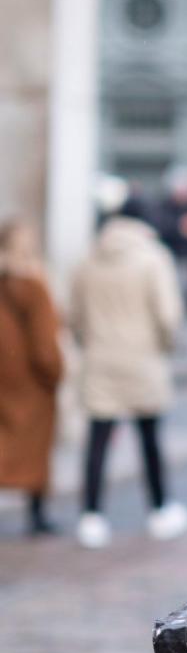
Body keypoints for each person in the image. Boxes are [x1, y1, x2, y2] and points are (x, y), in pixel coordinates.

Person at [71, 197, 187, 547]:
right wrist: (166, 347)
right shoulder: (153, 258)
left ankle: (91, 516)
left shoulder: (88, 259)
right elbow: (168, 315)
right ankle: (159, 509)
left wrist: (89, 343)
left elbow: (74, 316)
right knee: (150, 437)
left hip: (100, 357)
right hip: (143, 358)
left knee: (97, 439)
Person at [0, 219, 64, 535]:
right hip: (32, 382)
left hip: (4, 374)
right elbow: (44, 343)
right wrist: (55, 372)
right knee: (35, 447)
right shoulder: (36, 284)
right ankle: (37, 514)